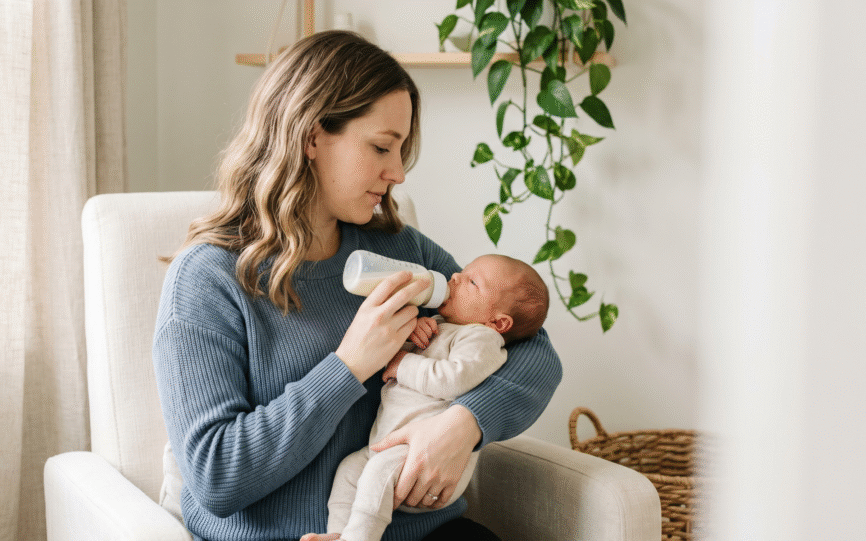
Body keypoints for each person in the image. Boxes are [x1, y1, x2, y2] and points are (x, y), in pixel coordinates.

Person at [152, 30, 562, 541]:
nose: (398, 173)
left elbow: (533, 349)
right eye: (381, 147)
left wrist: (465, 423)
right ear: (311, 137)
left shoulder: (401, 250)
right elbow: (216, 476)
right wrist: (350, 365)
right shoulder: (208, 279)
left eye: (402, 150)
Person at [323, 254, 550, 541]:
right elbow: (405, 355)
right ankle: (339, 533)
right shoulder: (443, 323)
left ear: (498, 322)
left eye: (471, 281)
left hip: (422, 463)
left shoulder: (482, 340)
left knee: (376, 474)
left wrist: (403, 363)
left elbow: (451, 379)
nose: (454, 277)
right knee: (350, 470)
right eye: (462, 272)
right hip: (387, 445)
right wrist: (412, 332)